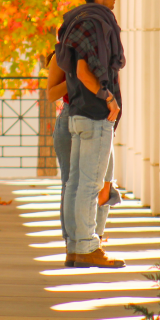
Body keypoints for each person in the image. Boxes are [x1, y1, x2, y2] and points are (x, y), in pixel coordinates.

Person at [56, 0, 127, 268]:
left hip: (76, 113)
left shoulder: (75, 21)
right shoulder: (97, 23)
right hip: (95, 114)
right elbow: (86, 69)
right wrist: (107, 97)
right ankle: (87, 246)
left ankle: (75, 247)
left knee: (75, 183)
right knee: (90, 183)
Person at [46, 50, 121, 267]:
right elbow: (51, 94)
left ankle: (91, 244)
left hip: (101, 118)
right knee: (72, 185)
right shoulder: (61, 54)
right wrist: (78, 78)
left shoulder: (102, 49)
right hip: (72, 117)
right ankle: (75, 246)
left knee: (105, 185)